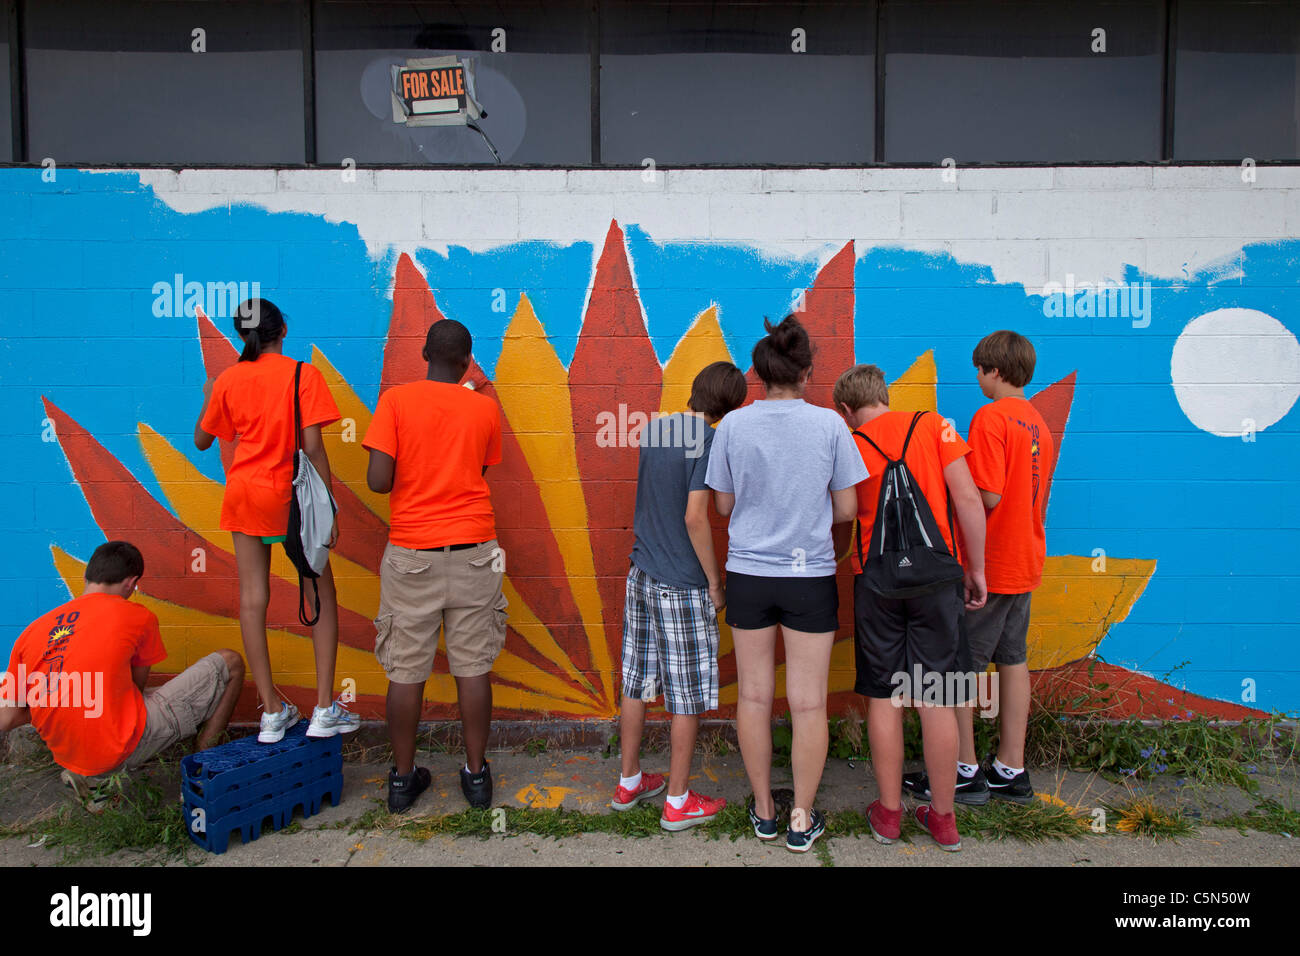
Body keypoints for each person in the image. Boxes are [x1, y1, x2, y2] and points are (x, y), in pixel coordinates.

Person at [704, 316, 867, 853]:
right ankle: (801, 817)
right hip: (809, 577)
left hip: (749, 574)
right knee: (808, 703)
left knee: (753, 695)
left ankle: (765, 810)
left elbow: (722, 506)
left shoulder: (732, 427)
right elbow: (847, 507)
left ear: (758, 374)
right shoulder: (829, 426)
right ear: (807, 372)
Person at [832, 363, 987, 852]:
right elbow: (967, 498)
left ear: (846, 409)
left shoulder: (853, 445)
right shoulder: (933, 425)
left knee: (885, 696)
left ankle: (890, 814)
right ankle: (943, 819)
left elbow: (842, 515)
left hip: (876, 582)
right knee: (937, 695)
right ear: (885, 394)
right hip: (937, 581)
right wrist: (975, 568)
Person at [194, 298, 358, 743]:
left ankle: (271, 712)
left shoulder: (228, 379)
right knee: (318, 589)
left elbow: (202, 442)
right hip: (294, 499)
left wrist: (209, 396)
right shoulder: (303, 375)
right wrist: (330, 507)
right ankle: (325, 708)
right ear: (282, 328)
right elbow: (313, 446)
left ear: (241, 334)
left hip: (246, 494)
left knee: (253, 598)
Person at [363, 319, 507, 813]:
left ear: (424, 352)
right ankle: (476, 776)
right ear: (468, 361)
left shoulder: (396, 402)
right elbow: (479, 470)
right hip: (474, 551)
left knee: (406, 670)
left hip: (412, 553)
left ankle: (402, 780)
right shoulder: (484, 409)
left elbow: (379, 482)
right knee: (473, 668)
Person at [909, 330, 1051, 805]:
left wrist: (950, 485)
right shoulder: (1038, 423)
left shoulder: (990, 418)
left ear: (994, 370)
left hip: (992, 562)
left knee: (959, 669)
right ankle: (1011, 767)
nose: (976, 377)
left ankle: (963, 768)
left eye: (978, 369)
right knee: (1013, 661)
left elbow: (986, 495)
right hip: (1026, 558)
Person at [0, 541, 244, 803]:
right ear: (131, 583)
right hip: (119, 749)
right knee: (231, 663)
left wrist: (60, 702)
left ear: (86, 576)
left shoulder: (32, 632)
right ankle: (202, 775)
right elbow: (135, 691)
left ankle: (86, 775)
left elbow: (11, 714)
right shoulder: (137, 616)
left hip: (68, 754)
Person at [613, 361, 748, 831]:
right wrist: (714, 581)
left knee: (636, 680)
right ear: (729, 406)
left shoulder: (656, 429)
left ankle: (629, 781)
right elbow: (695, 517)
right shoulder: (707, 440)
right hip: (681, 583)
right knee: (686, 695)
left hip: (641, 574)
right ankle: (677, 800)